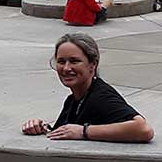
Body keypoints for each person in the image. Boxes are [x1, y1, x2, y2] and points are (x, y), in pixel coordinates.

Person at [21, 34, 154, 143]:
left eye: (74, 61)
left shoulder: (101, 97)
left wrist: (84, 132)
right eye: (61, 61)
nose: (66, 68)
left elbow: (143, 129)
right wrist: (41, 127)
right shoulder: (73, 99)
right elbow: (64, 132)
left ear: (92, 65)